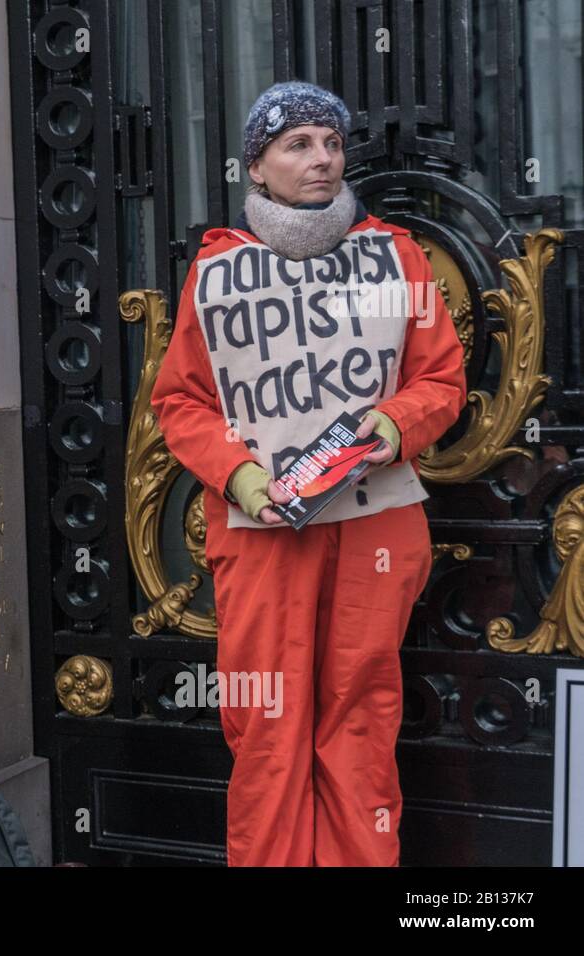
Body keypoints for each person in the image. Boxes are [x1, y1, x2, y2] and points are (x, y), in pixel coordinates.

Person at [149, 81, 467, 866]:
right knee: (268, 727)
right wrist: (240, 478)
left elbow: (442, 380)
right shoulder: (215, 274)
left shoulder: (398, 255)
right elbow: (181, 400)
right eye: (297, 144)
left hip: (375, 522)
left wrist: (394, 425)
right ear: (256, 168)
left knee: (360, 717)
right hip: (261, 531)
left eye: (330, 141)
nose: (321, 158)